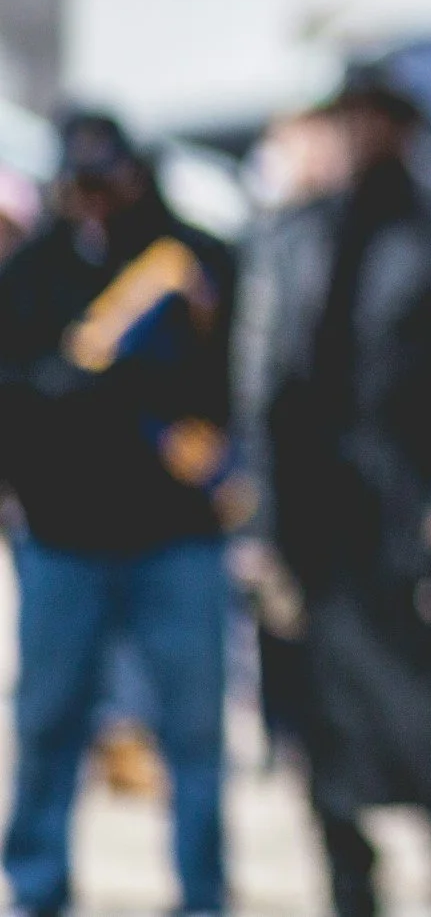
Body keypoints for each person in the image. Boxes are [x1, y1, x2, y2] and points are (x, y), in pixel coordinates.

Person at [231, 72, 431, 917]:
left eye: (367, 120)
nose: (351, 136)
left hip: (416, 534)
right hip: (319, 539)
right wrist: (260, 520)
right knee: (325, 754)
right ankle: (350, 896)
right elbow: (259, 386)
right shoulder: (290, 234)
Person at [0, 112, 238, 917]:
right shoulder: (28, 274)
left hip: (177, 538)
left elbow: (237, 375)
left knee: (194, 735)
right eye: (82, 184)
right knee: (48, 726)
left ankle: (201, 894)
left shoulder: (190, 260)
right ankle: (38, 888)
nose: (97, 200)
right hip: (64, 538)